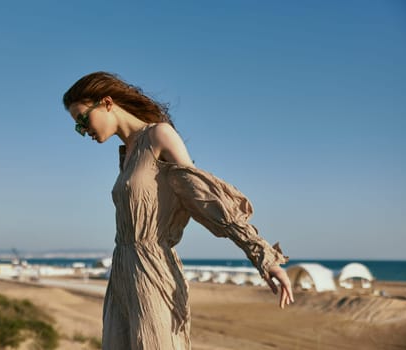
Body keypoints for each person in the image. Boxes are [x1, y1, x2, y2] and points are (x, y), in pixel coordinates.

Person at [63, 71, 294, 350]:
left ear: (107, 102)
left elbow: (207, 198)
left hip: (152, 270)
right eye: (77, 127)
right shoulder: (127, 154)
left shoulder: (159, 135)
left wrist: (263, 256)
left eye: (82, 120)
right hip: (121, 272)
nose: (83, 131)